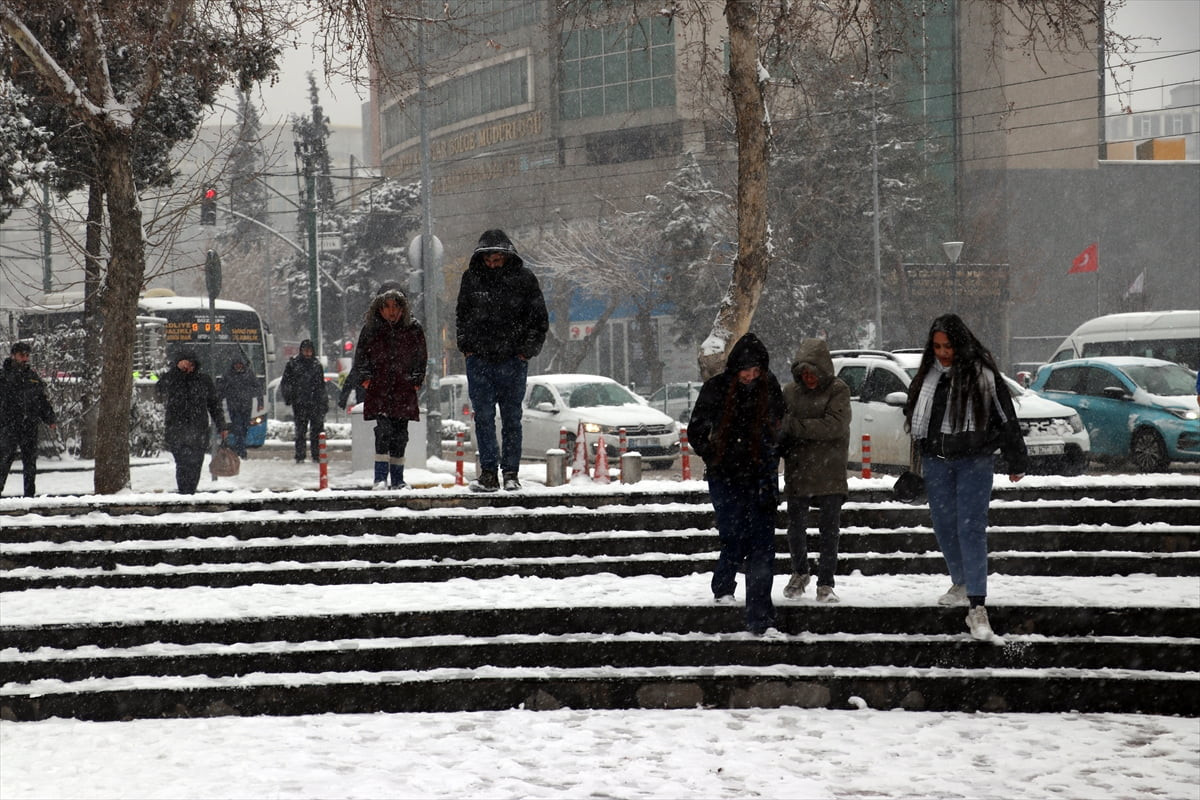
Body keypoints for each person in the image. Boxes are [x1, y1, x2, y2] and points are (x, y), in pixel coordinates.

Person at [902, 313, 1027, 642]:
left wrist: (1016, 457)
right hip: (936, 461)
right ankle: (960, 581)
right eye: (937, 346)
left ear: (961, 343)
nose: (943, 352)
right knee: (943, 524)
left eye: (948, 346)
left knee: (970, 528)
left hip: (974, 461)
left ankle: (977, 605)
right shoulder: (928, 375)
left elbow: (1005, 415)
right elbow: (916, 413)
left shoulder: (982, 374)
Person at [688, 333, 786, 636]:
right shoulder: (716, 389)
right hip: (725, 475)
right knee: (733, 534)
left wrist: (772, 450)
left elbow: (782, 424)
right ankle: (723, 584)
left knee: (761, 546)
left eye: (756, 371)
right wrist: (713, 451)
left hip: (760, 477)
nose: (750, 377)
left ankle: (760, 616)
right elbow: (696, 430)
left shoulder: (769, 388)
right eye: (746, 370)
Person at [455, 229, 548, 492]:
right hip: (481, 359)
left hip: (512, 359)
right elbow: (462, 315)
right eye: (489, 260)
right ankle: (488, 473)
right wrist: (467, 347)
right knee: (483, 418)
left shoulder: (524, 280)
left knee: (511, 418)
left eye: (497, 260)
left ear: (506, 256)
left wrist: (525, 351)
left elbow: (539, 319)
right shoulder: (471, 279)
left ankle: (510, 473)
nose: (493, 265)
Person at [779, 338, 851, 603]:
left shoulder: (838, 389)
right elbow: (780, 428)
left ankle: (826, 582)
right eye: (804, 374)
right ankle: (800, 572)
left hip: (830, 472)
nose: (809, 379)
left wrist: (795, 427)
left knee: (829, 530)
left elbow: (835, 426)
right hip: (798, 472)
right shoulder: (790, 392)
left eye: (813, 373)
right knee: (795, 528)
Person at [339, 289, 427, 490]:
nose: (392, 311)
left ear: (403, 308)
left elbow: (420, 357)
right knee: (383, 431)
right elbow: (360, 357)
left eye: (396, 306)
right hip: (380, 389)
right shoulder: (371, 329)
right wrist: (366, 380)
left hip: (403, 390)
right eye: (387, 306)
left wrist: (416, 380)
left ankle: (397, 479)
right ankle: (380, 478)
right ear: (379, 308)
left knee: (400, 435)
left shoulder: (413, 329)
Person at [156, 349, 228, 494]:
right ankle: (184, 491)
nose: (188, 368)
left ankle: (191, 491)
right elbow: (160, 388)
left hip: (198, 429)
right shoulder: (174, 379)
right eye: (185, 364)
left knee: (196, 463)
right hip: (177, 429)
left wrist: (222, 426)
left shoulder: (204, 381)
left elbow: (214, 405)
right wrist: (177, 371)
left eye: (191, 364)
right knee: (182, 463)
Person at [0, 341, 57, 497]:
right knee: (4, 460)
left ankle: (29, 496)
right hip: (9, 425)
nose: (25, 359)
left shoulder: (32, 377)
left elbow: (41, 400)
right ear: (13, 356)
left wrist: (49, 418)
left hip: (29, 425)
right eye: (21, 355)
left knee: (30, 463)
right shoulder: (4, 377)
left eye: (27, 355)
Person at [280, 339, 328, 463]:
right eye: (305, 351)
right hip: (300, 403)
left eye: (309, 351)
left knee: (316, 430)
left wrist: (323, 402)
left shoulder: (317, 366)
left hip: (315, 403)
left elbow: (321, 386)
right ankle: (300, 455)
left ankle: (316, 455)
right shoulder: (293, 365)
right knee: (301, 431)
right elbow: (285, 383)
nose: (307, 353)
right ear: (301, 351)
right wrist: (289, 397)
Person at [218, 356, 261, 458]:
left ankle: (240, 447)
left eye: (240, 364)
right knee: (238, 428)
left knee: (244, 428)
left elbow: (257, 387)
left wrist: (260, 401)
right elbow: (221, 389)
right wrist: (218, 401)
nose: (238, 366)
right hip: (234, 407)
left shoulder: (249, 374)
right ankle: (241, 451)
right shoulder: (228, 375)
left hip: (246, 406)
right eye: (236, 364)